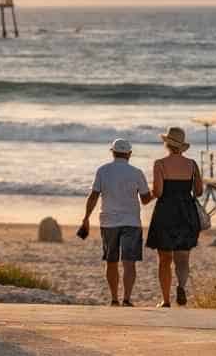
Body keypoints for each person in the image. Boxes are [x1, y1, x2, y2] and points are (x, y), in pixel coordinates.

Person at [78, 138, 153, 306]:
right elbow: (146, 199)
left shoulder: (103, 171)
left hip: (108, 222)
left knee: (111, 261)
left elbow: (94, 196)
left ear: (112, 152)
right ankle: (126, 299)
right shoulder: (137, 172)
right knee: (129, 262)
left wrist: (86, 218)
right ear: (130, 154)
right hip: (132, 222)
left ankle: (114, 299)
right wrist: (156, 191)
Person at [146, 125, 205, 308]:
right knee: (183, 257)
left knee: (164, 259)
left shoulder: (160, 164)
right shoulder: (192, 164)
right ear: (182, 146)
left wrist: (147, 195)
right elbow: (199, 191)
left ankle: (165, 300)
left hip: (166, 212)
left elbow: (158, 191)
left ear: (167, 144)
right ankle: (181, 285)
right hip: (186, 212)